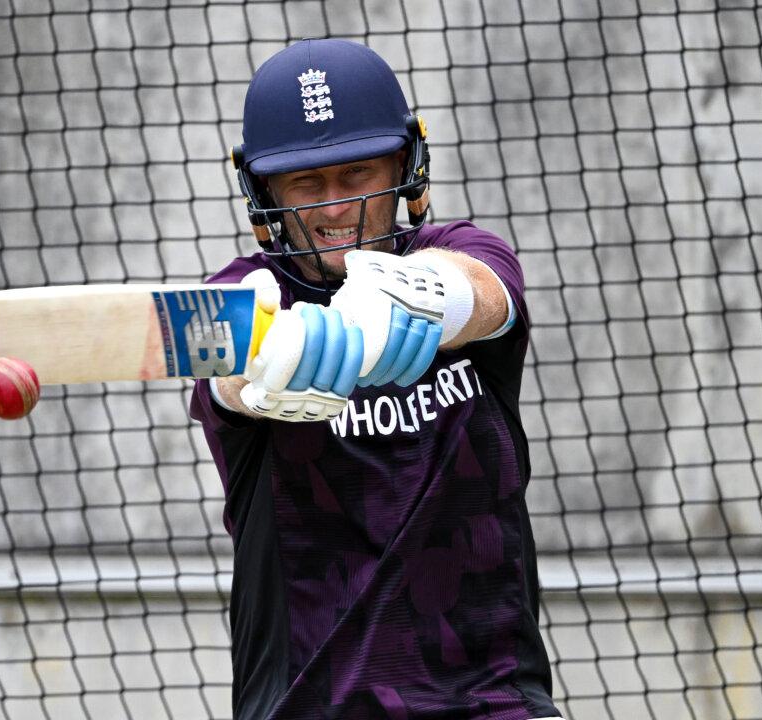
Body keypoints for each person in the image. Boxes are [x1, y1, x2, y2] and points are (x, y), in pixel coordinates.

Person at [190, 38, 562, 720]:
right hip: (310, 706)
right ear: (264, 193)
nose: (335, 209)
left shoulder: (465, 252)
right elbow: (223, 357)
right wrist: (272, 358)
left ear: (405, 167)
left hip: (494, 702)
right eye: (306, 184)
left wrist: (404, 301)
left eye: (357, 174)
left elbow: (485, 291)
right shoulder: (243, 291)